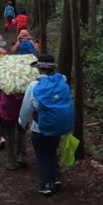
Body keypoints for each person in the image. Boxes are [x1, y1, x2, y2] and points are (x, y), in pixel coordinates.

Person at [18, 54, 73, 196]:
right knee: (52, 151)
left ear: (39, 69)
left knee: (42, 155)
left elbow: (26, 107)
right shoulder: (62, 81)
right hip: (57, 125)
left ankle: (45, 184)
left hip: (39, 127)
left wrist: (22, 122)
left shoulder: (34, 85)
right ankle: (56, 178)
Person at [0, 88, 28, 170]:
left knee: (9, 137)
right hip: (21, 113)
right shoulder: (24, 84)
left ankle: (11, 162)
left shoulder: (5, 83)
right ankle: (20, 156)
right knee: (21, 132)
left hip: (7, 114)